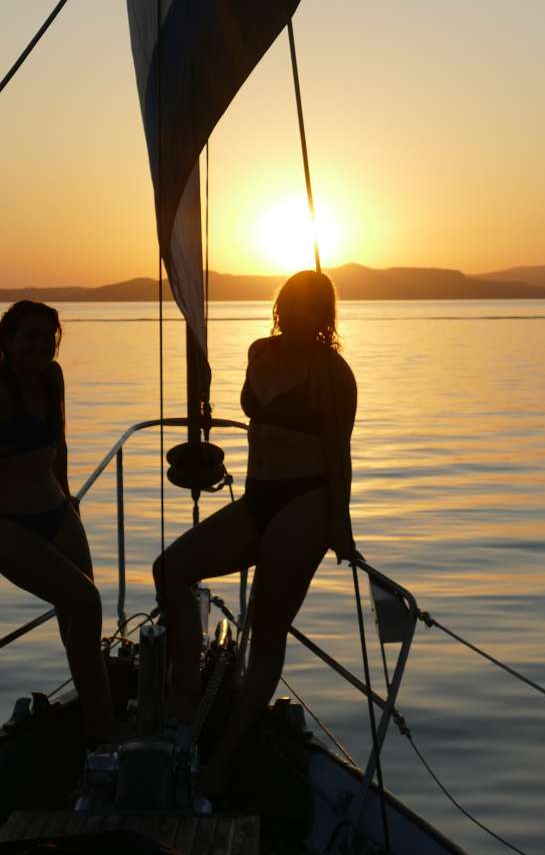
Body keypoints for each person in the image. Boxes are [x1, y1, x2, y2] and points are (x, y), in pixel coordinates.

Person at [153, 270, 358, 790]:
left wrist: (340, 526)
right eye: (290, 302)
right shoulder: (258, 351)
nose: (296, 313)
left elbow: (339, 453)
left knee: (265, 626)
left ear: (323, 316)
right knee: (171, 569)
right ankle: (185, 690)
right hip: (256, 498)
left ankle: (225, 756)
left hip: (306, 500)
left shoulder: (332, 371)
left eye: (310, 307)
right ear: (280, 305)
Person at [0, 300, 113, 746]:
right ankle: (103, 730)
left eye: (48, 337)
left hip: (55, 512)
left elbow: (60, 443)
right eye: (30, 336)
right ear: (7, 340)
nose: (40, 346)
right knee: (85, 601)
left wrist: (69, 496)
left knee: (80, 618)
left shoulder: (52, 379)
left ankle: (93, 716)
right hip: (3, 524)